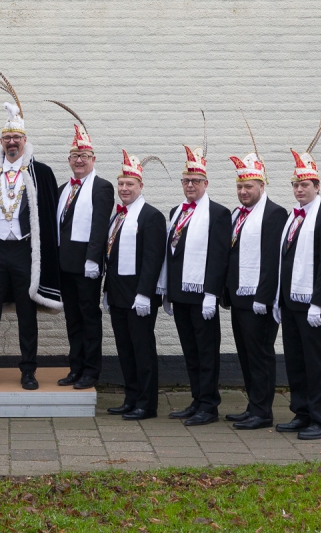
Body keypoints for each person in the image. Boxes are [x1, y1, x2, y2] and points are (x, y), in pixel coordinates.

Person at [0, 63, 63, 391]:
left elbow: (49, 216)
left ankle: (28, 370)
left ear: (24, 140)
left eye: (17, 137)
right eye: (7, 137)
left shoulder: (41, 173)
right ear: (1, 140)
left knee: (27, 311)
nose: (12, 142)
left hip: (25, 249)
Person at [157, 124, 231, 426]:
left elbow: (219, 256)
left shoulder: (219, 213)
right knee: (190, 350)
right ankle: (197, 400)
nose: (190, 185)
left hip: (202, 295)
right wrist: (167, 291)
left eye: (195, 181)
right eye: (186, 180)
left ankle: (209, 406)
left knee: (206, 351)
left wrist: (212, 293)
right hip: (181, 293)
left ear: (206, 182)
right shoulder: (177, 211)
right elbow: (172, 254)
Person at [273, 123, 321, 440]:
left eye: (304, 185)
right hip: (291, 302)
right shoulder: (294, 216)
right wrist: (279, 299)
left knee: (318, 363)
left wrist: (318, 303)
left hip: (314, 305)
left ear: (317, 185)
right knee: (296, 361)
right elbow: (284, 261)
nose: (299, 190)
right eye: (295, 185)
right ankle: (302, 413)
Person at [222, 128, 288, 430]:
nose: (243, 192)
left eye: (248, 186)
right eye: (239, 187)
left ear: (262, 185)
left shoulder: (274, 214)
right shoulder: (238, 215)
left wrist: (264, 297)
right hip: (239, 297)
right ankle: (253, 405)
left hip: (259, 299)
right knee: (246, 355)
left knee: (260, 355)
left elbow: (272, 260)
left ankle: (263, 412)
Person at [49, 102, 113, 390]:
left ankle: (91, 371)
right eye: (75, 156)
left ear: (93, 159)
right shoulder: (63, 190)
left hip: (87, 267)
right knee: (72, 319)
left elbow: (99, 227)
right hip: (65, 266)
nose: (79, 160)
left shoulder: (102, 187)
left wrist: (93, 260)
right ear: (69, 159)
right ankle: (75, 368)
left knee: (89, 318)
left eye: (84, 156)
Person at [103, 151, 167, 420]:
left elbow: (153, 259)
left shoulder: (151, 216)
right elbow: (111, 255)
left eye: (129, 184)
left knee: (142, 350)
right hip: (118, 294)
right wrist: (107, 290)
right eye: (121, 184)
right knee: (125, 350)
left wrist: (144, 294)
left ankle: (147, 404)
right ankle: (131, 398)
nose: (124, 188)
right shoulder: (117, 216)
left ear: (141, 186)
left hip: (139, 297)